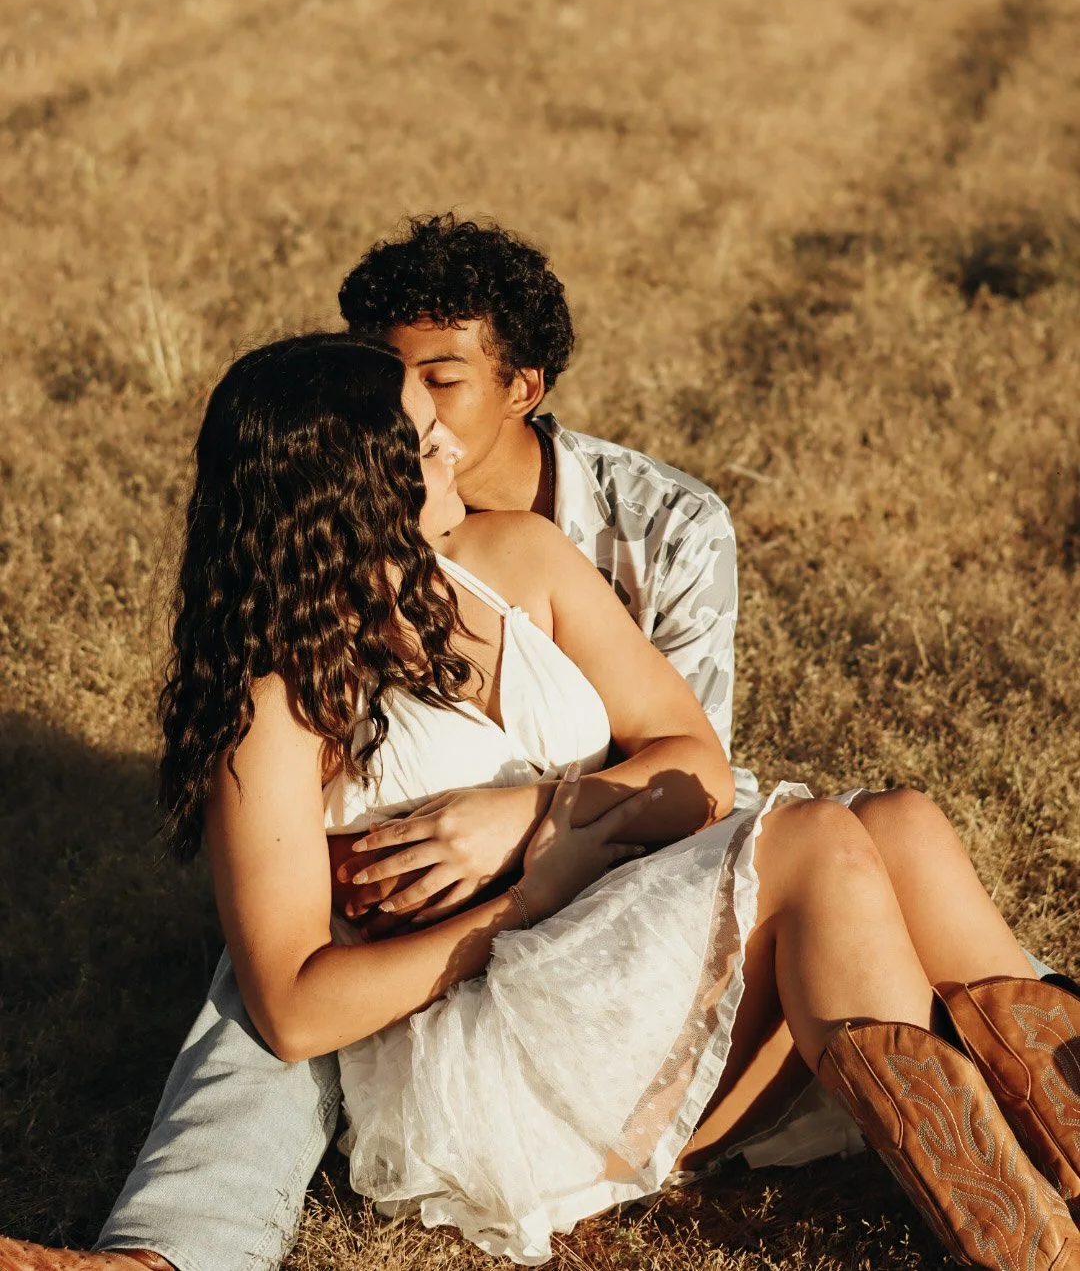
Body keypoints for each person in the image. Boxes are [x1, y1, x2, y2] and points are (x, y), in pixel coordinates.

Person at [3, 223, 1076, 1271]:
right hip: (506, 1024)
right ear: (347, 491)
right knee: (816, 844)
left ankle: (1051, 1171)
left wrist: (534, 816)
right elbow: (287, 1008)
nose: (450, 459)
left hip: (631, 928)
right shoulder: (278, 709)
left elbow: (696, 763)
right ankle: (1020, 1243)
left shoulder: (514, 554)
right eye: (420, 447)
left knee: (903, 822)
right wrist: (529, 893)